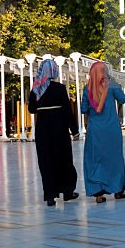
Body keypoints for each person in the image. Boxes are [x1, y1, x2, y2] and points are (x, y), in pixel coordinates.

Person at [28, 58, 80, 206]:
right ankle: (68, 192)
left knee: (46, 160)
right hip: (59, 128)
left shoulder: (36, 89)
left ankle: (50, 196)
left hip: (43, 128)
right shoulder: (59, 88)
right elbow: (67, 111)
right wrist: (74, 131)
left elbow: (31, 109)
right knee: (64, 159)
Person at [81, 62, 125, 203]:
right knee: (114, 158)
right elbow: (123, 99)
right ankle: (118, 190)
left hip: (95, 130)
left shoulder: (87, 89)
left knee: (96, 159)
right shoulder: (112, 86)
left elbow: (84, 109)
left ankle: (98, 194)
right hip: (111, 129)